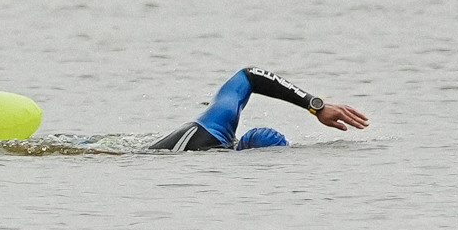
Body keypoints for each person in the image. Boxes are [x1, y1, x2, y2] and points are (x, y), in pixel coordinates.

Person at [149, 67, 368, 151]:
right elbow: (250, 75)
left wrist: (314, 106)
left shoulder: (222, 125)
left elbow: (248, 77)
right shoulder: (214, 126)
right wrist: (314, 105)